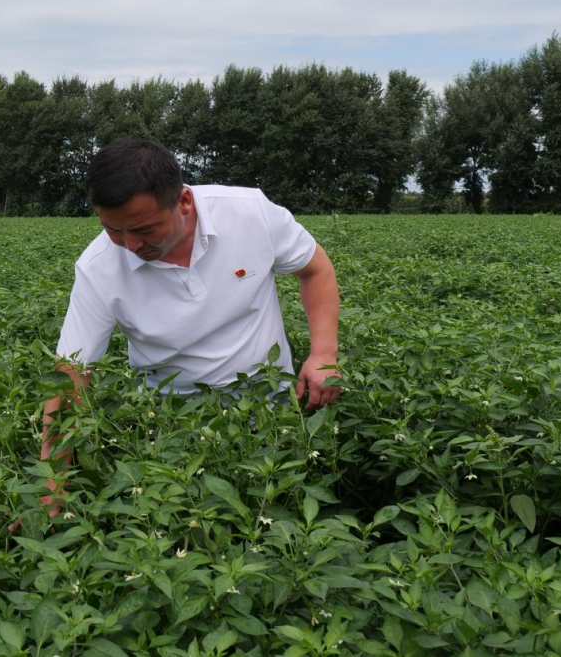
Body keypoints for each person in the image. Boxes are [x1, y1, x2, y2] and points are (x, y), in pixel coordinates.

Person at [26, 138, 340, 521]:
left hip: (271, 409)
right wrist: (53, 482)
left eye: (144, 230)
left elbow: (315, 268)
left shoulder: (249, 213)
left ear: (184, 202)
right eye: (113, 230)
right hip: (173, 427)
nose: (130, 245)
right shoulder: (99, 268)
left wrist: (324, 354)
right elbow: (72, 371)